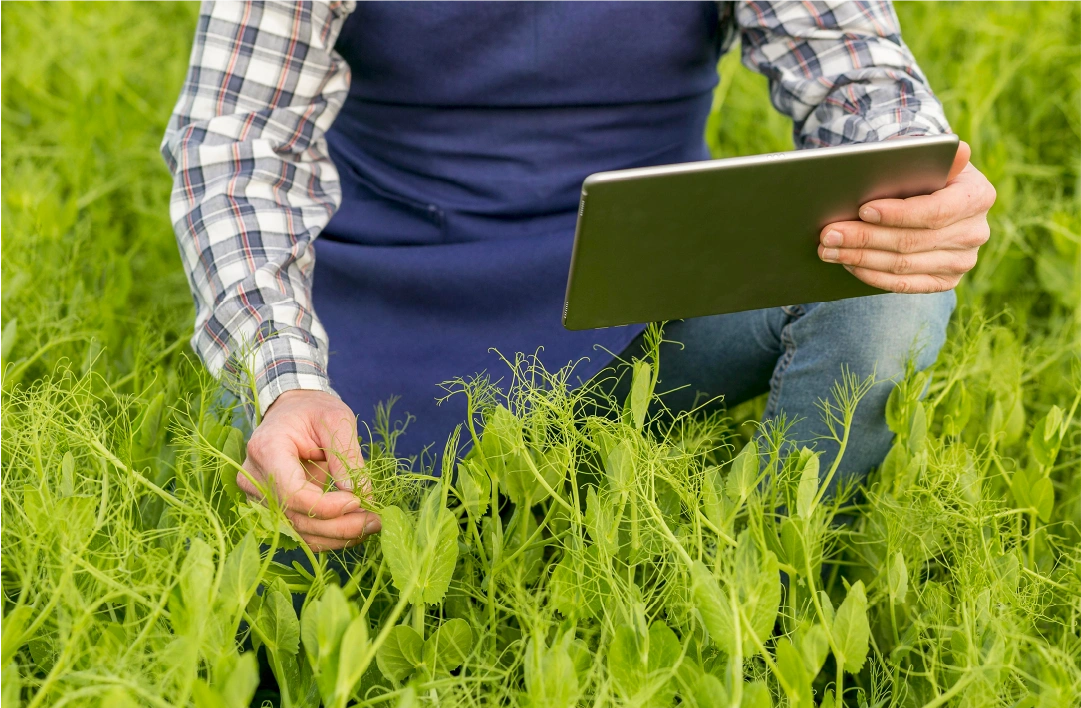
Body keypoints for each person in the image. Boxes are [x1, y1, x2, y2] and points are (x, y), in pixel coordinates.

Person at [162, 0, 995, 552]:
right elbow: (236, 148)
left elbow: (860, 77)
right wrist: (286, 381)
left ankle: (770, 591)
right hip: (373, 326)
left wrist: (919, 184)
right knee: (309, 560)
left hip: (649, 308)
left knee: (895, 277)